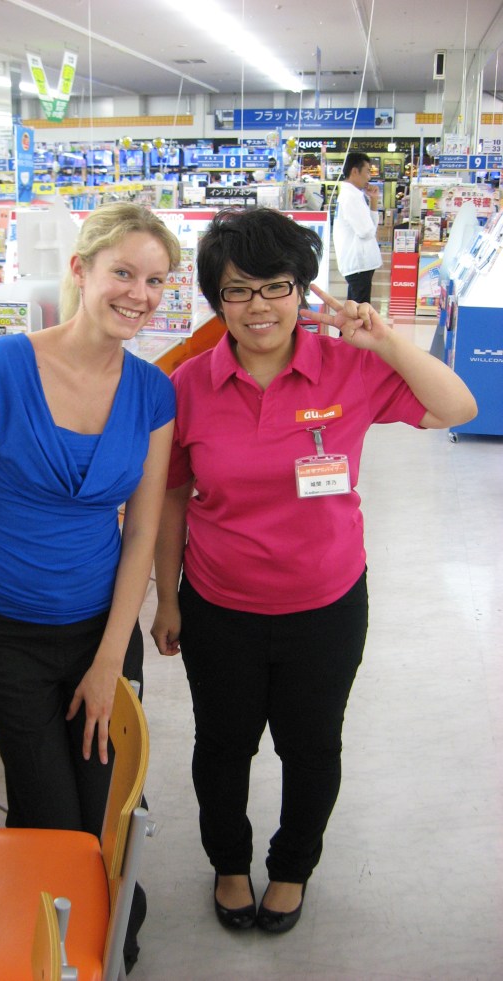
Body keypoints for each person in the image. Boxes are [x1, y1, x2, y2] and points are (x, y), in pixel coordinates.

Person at [150, 207, 476, 937]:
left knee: (311, 744)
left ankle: (293, 866)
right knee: (222, 744)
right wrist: (166, 598)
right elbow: (171, 500)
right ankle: (229, 862)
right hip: (219, 605)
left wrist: (387, 340)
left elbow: (458, 405)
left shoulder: (350, 368)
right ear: (216, 299)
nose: (259, 306)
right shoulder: (189, 385)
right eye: (238, 290)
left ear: (302, 290)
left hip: (326, 606)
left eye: (277, 286)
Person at [0, 201, 181, 970]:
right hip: (8, 635)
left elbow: (140, 534)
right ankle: (54, 943)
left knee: (100, 802)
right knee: (51, 811)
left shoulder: (152, 391)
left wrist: (108, 662)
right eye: (123, 272)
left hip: (101, 631)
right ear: (81, 271)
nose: (139, 292)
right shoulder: (5, 365)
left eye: (155, 280)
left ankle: (77, 926)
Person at [332, 151, 382, 304]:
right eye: (367, 171)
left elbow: (369, 227)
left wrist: (373, 201)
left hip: (360, 264)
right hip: (359, 263)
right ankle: (348, 330)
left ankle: (346, 330)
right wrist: (370, 229)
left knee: (354, 311)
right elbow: (366, 231)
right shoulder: (351, 197)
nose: (369, 176)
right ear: (354, 171)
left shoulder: (354, 196)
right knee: (359, 312)